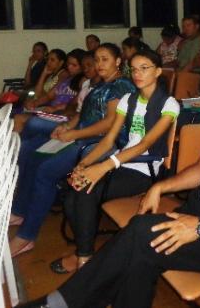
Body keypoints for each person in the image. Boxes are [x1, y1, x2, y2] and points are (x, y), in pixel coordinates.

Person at [19, 42, 200, 308]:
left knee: (140, 235)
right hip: (197, 212)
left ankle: (61, 302)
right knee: (142, 251)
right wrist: (160, 188)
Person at [49, 50, 180, 274]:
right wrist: (84, 164)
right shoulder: (128, 100)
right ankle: (84, 246)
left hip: (144, 169)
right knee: (71, 196)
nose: (137, 74)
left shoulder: (169, 104)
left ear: (158, 71)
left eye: (144, 68)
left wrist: (104, 166)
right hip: (121, 161)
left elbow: (144, 143)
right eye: (134, 69)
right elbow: (110, 138)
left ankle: (84, 256)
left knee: (87, 189)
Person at [9, 44, 136, 257]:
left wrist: (74, 134)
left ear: (118, 62)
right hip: (83, 135)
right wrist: (67, 127)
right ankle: (21, 212)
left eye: (105, 59)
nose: (99, 64)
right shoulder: (98, 86)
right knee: (32, 154)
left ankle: (26, 236)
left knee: (45, 171)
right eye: (97, 59)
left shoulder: (120, 85)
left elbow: (109, 124)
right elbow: (83, 114)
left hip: (102, 143)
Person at [14, 49, 85, 133]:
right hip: (50, 110)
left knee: (20, 118)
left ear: (82, 66)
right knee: (17, 114)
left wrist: (55, 108)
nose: (69, 67)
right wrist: (35, 103)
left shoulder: (83, 81)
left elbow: (78, 103)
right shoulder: (67, 78)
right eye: (68, 64)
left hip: (62, 114)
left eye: (74, 65)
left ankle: (15, 144)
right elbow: (49, 96)